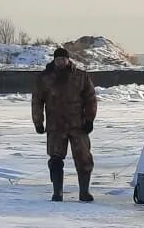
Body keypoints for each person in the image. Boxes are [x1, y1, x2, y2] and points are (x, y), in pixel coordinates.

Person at [32, 47, 98, 202]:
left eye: (63, 59)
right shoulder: (45, 78)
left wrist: (89, 119)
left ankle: (84, 191)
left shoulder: (81, 77)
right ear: (54, 60)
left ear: (68, 59)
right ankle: (57, 192)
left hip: (78, 125)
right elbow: (37, 101)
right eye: (58, 59)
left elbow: (91, 99)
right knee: (55, 159)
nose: (61, 62)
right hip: (55, 126)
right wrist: (38, 122)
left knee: (84, 159)